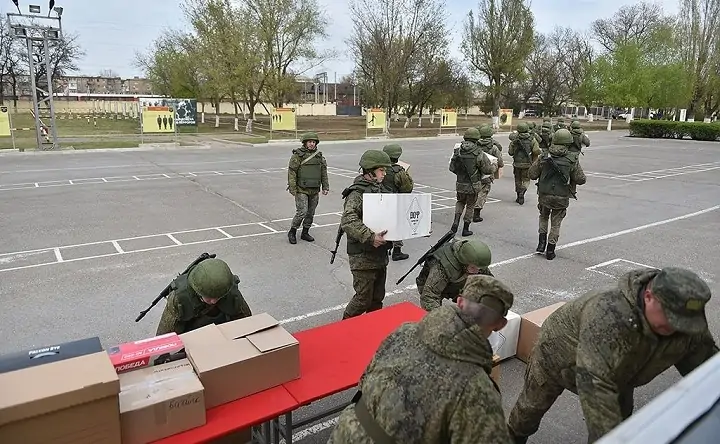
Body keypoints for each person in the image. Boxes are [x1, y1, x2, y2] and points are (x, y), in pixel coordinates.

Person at [507, 267, 718, 444]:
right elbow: (596, 384)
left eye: (683, 321)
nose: (675, 327)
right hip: (559, 354)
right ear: (648, 297)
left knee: (622, 419)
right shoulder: (608, 314)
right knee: (531, 408)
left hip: (620, 370)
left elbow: (709, 369)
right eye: (670, 317)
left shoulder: (686, 324)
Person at [328, 274, 516, 444]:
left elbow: (365, 381)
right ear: (500, 325)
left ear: (459, 302)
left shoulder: (404, 331)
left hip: (346, 433)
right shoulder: (477, 389)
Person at [340, 149, 393, 320]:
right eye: (381, 170)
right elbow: (348, 221)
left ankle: (371, 329)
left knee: (377, 299)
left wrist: (416, 228)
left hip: (379, 254)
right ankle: (344, 327)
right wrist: (371, 237)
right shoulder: (357, 193)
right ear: (369, 171)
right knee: (363, 299)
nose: (384, 173)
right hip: (362, 256)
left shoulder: (380, 189)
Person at [528, 128, 586, 260]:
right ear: (568, 142)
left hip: (544, 194)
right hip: (562, 196)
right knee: (556, 222)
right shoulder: (572, 159)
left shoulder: (544, 156)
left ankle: (541, 244)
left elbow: (531, 174)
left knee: (543, 217)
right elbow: (581, 179)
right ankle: (550, 250)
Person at [156, 258, 252, 335]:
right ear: (197, 291)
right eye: (209, 297)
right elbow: (165, 339)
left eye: (218, 297)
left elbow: (248, 325)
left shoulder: (229, 291)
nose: (214, 301)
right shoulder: (180, 299)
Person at [416, 238, 494, 311]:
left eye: (479, 269)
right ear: (464, 262)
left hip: (455, 282)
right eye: (473, 268)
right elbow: (429, 297)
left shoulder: (476, 262)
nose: (477, 272)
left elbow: (489, 283)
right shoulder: (443, 266)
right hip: (432, 284)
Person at [286, 131, 329, 244]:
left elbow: (323, 172)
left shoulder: (319, 156)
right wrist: (292, 187)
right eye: (309, 142)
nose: (312, 144)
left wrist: (325, 186)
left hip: (314, 189)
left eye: (314, 142)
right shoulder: (298, 156)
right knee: (302, 212)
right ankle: (292, 231)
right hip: (301, 189)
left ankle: (305, 232)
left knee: (311, 212)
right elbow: (292, 172)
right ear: (305, 143)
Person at [449, 128, 492, 236]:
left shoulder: (458, 151)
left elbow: (452, 168)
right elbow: (487, 170)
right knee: (470, 205)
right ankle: (465, 229)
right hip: (473, 185)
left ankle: (455, 223)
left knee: (460, 202)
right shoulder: (479, 153)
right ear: (476, 139)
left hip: (460, 184)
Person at [382, 143, 414, 261]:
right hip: (394, 201)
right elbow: (407, 188)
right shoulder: (399, 171)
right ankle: (397, 251)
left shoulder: (378, 168)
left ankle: (384, 248)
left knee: (383, 224)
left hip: (379, 201)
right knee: (397, 225)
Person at [473, 125, 504, 222]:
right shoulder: (494, 147)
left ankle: (470, 210)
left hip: (475, 172)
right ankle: (476, 213)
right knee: (483, 192)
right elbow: (500, 161)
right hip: (487, 173)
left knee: (474, 191)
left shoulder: (475, 145)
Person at [508, 122, 541, 205]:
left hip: (517, 164)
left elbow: (510, 152)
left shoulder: (514, 140)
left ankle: (518, 196)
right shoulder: (532, 139)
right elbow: (536, 151)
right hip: (527, 164)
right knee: (526, 180)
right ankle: (523, 190)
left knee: (517, 179)